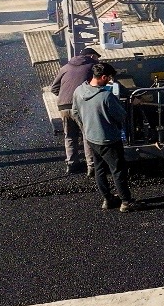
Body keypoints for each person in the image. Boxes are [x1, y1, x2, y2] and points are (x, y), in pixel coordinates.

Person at [73, 61, 140, 211]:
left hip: (91, 138)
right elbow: (121, 116)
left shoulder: (78, 91)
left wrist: (85, 129)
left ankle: (108, 199)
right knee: (118, 170)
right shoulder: (106, 96)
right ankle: (126, 202)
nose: (110, 81)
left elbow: (75, 113)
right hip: (109, 139)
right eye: (109, 78)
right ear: (103, 77)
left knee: (100, 169)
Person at [48, 45, 100, 173]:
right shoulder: (92, 66)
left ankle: (72, 164)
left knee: (70, 135)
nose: (98, 61)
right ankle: (91, 167)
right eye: (97, 58)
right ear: (92, 56)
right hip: (81, 105)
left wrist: (66, 97)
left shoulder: (65, 67)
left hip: (63, 106)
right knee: (87, 135)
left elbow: (54, 88)